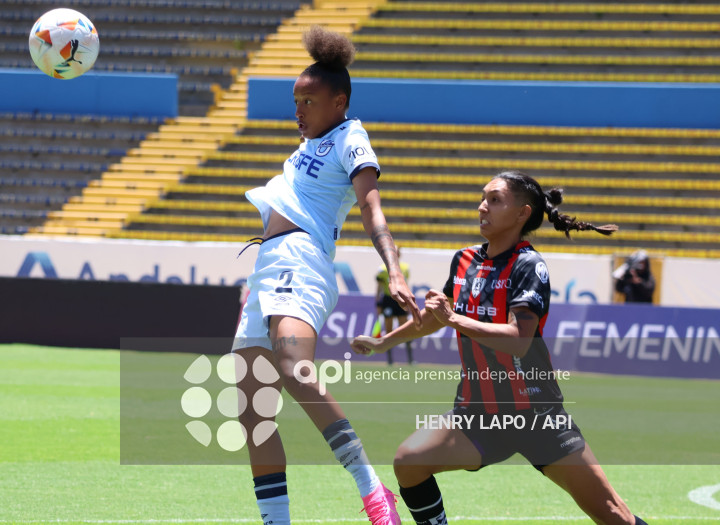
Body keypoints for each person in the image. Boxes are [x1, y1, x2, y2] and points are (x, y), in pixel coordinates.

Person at [352, 171, 648, 525]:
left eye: (494, 200)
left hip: (536, 415)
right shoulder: (463, 260)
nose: (482, 207)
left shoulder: (529, 265)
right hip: (478, 414)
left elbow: (520, 340)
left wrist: (454, 320)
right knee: (409, 461)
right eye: (482, 197)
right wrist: (383, 341)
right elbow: (436, 316)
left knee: (614, 514)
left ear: (522, 213)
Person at [232, 26, 421, 525]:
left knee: (296, 370)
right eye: (295, 100)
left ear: (338, 102)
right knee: (253, 415)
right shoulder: (304, 147)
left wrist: (394, 269)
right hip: (268, 270)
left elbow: (371, 209)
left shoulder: (349, 136)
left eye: (308, 100)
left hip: (300, 261)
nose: (298, 110)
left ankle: (371, 489)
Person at [375, 247, 414, 365]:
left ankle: (410, 359)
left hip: (401, 299)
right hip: (388, 300)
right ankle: (390, 359)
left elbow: (406, 285)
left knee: (405, 329)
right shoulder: (382, 269)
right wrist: (378, 303)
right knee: (389, 330)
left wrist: (409, 302)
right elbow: (379, 288)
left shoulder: (405, 268)